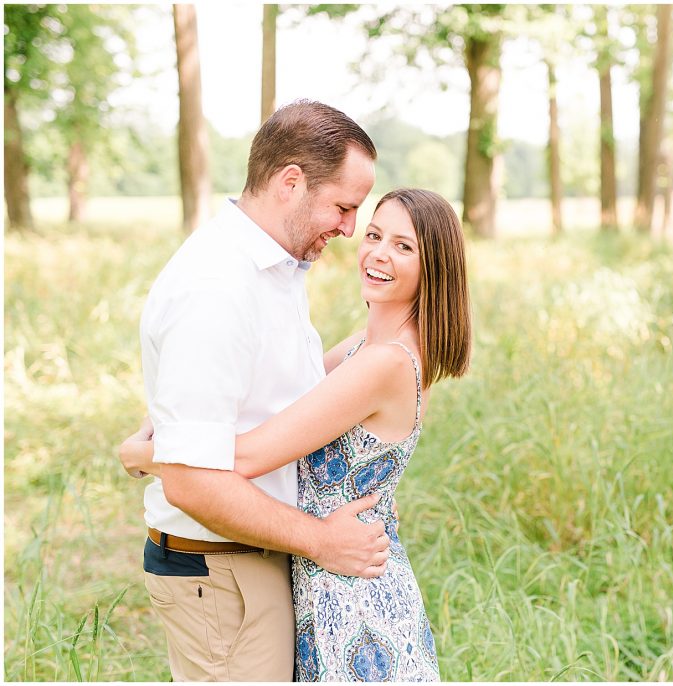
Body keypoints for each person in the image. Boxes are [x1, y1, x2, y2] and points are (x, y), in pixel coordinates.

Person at [122, 187, 472, 681]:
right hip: (329, 571)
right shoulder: (366, 345)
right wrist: (172, 412)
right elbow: (283, 403)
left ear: (434, 268)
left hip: (350, 598)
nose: (377, 253)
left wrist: (140, 452)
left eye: (403, 246)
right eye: (374, 235)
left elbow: (247, 456)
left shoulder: (385, 362)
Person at [119, 100, 389, 682]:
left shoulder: (275, 268)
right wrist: (322, 541)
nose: (348, 228)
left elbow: (285, 390)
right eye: (343, 206)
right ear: (291, 182)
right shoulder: (216, 288)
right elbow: (192, 479)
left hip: (250, 560)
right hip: (219, 575)